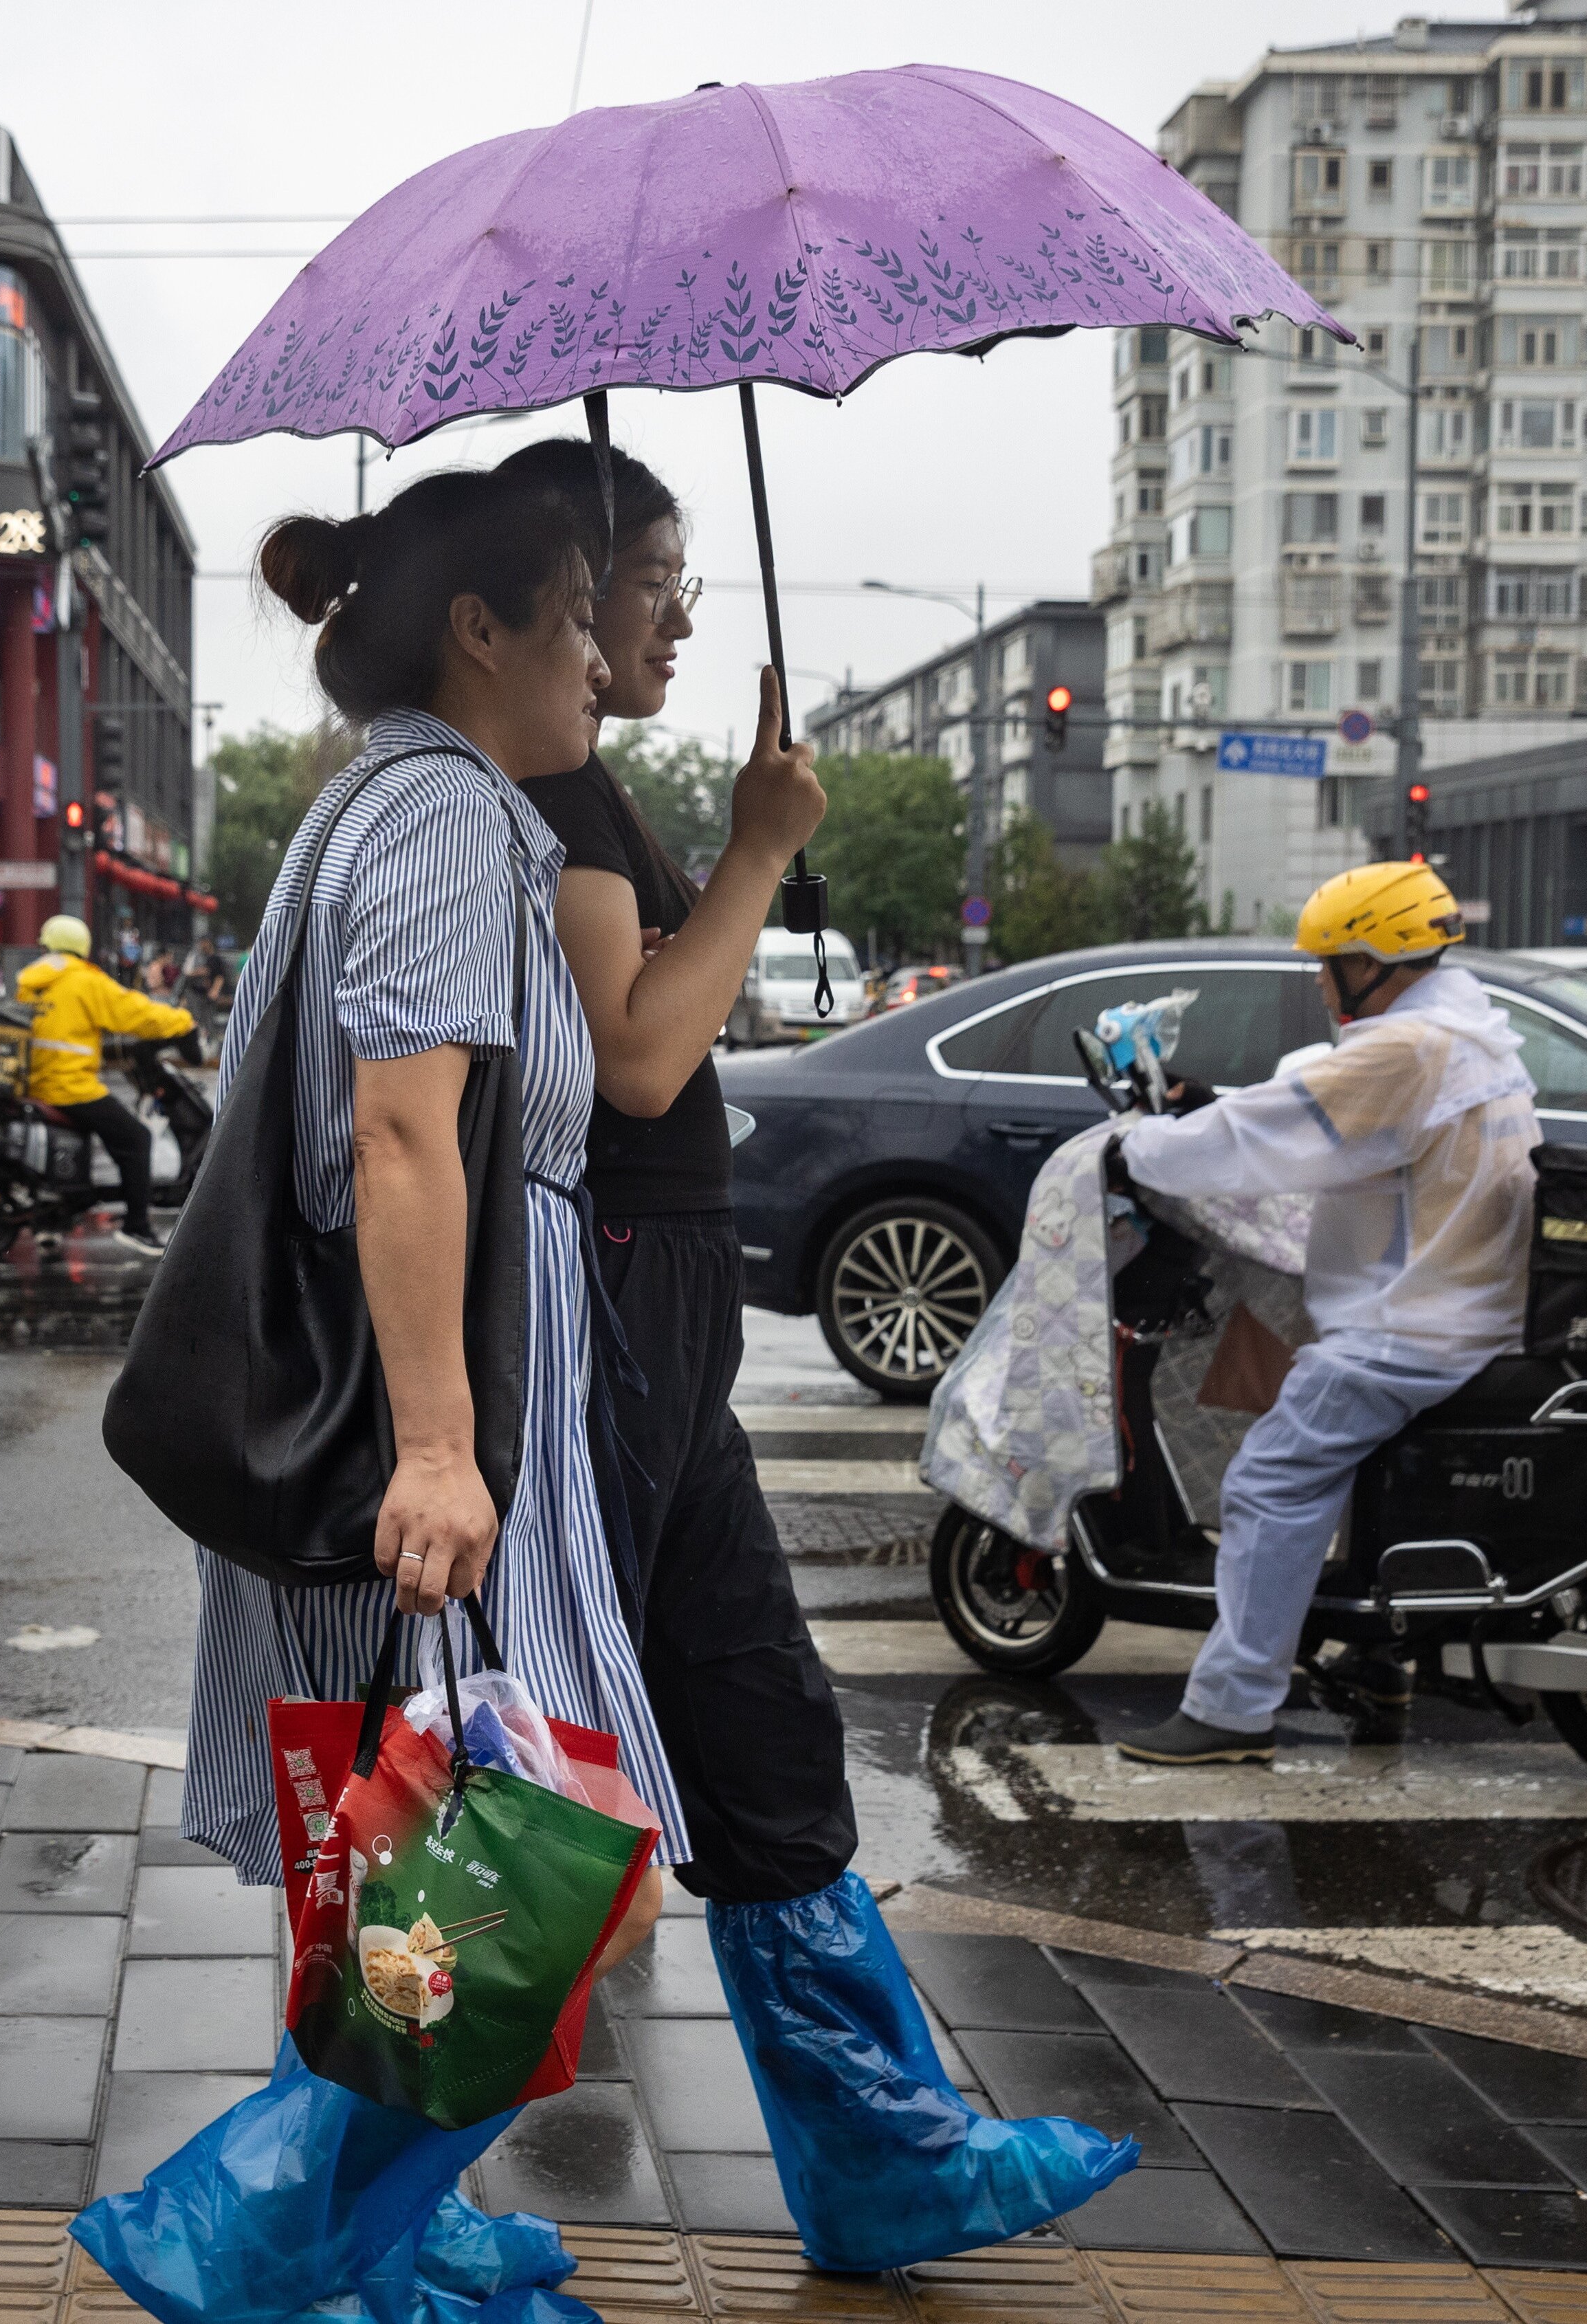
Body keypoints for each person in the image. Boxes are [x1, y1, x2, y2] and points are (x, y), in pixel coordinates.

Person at [485, 434, 1132, 2276]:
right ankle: (310, 2204)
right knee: (538, 1767)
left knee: (762, 1729)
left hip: (662, 1315)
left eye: (689, 587)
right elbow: (637, 1057)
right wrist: (765, 848)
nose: (679, 618)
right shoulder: (549, 803)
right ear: (562, 601)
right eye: (653, 586)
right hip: (603, 1302)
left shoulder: (596, 793)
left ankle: (879, 2152)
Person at [77, 466, 666, 2323]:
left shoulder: (443, 805)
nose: (594, 650)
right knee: (520, 1861)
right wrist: (435, 1447)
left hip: (435, 1412)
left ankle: (373, 2236)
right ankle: (266, 2239)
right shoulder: (429, 810)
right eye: (571, 611)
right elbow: (403, 1130)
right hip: (397, 1426)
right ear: (475, 630)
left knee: (411, 1859)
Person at [1107, 860, 1542, 1767]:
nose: (1319, 980)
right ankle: (1377, 1660)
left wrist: (1139, 1145)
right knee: (1360, 1490)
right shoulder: (1473, 1037)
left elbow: (1266, 1136)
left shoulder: (1408, 1047)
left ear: (1374, 958)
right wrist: (1213, 1107)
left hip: (1411, 1331)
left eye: (1329, 961)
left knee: (1268, 1485)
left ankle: (1232, 1707)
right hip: (1470, 1314)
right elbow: (1322, 1128)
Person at [15, 913, 197, 1251]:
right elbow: (133, 1012)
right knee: (136, 1139)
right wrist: (183, 1022)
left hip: (34, 1085)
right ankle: (138, 1227)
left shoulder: (29, 981)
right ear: (81, 946)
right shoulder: (84, 980)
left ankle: (53, 1218)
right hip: (69, 1086)